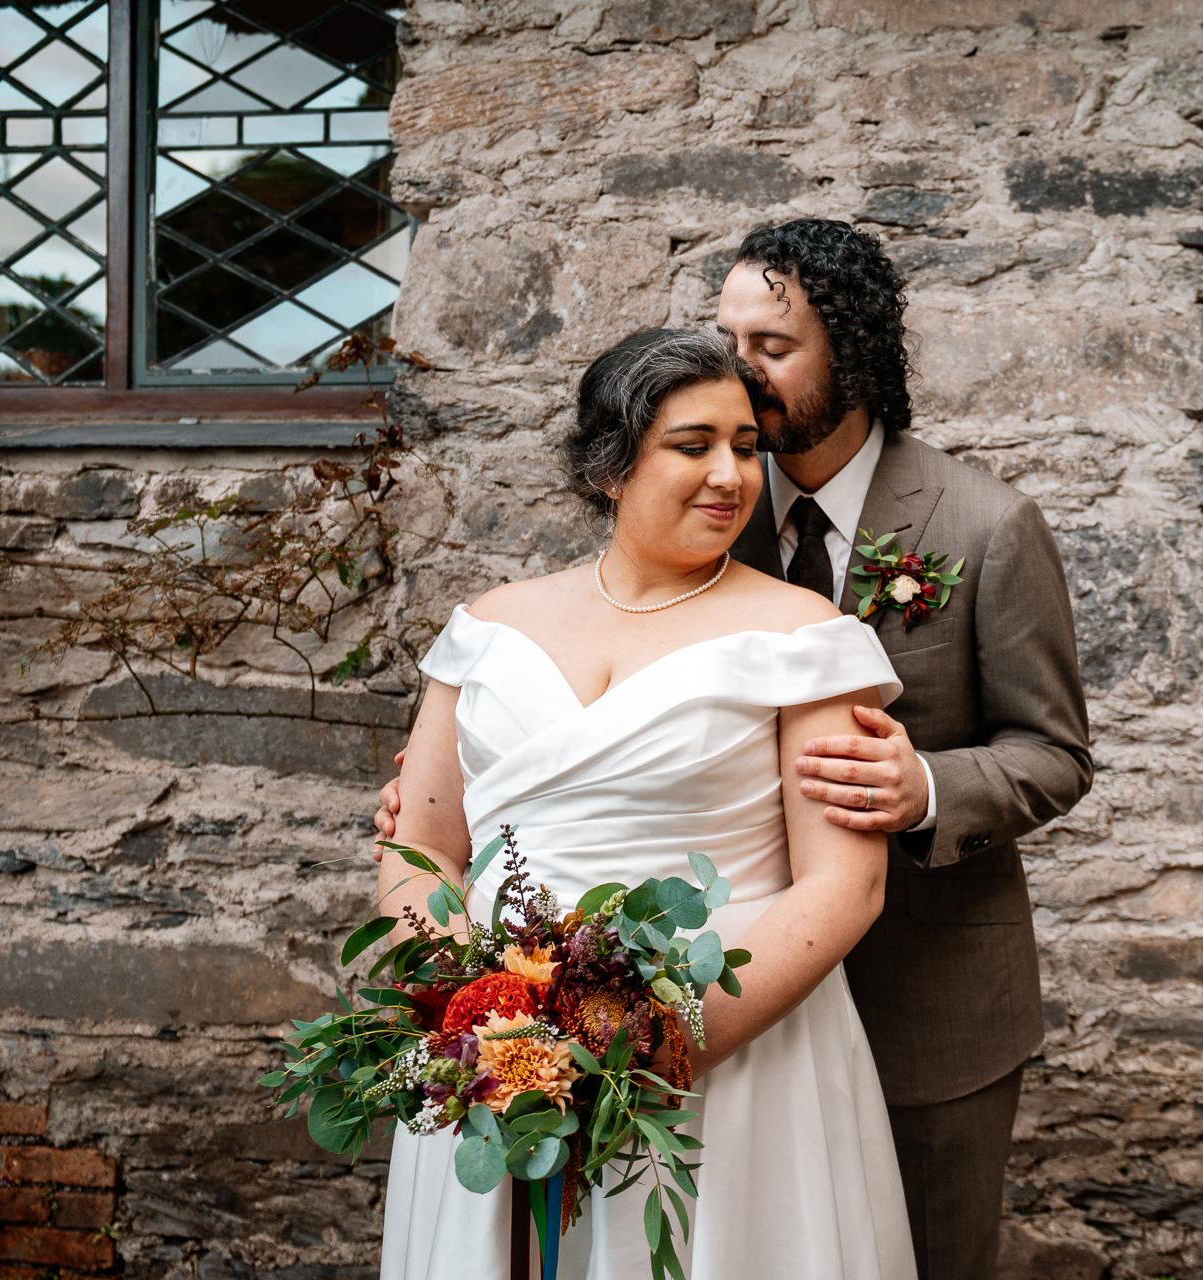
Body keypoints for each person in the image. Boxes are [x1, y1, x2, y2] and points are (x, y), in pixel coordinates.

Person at [380, 220, 1094, 1280]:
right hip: (565, 1007)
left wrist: (927, 785)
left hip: (915, 986)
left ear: (851, 355)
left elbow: (1055, 749)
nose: (739, 376)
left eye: (770, 347)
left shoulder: (984, 524)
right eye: (725, 338)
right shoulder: (710, 506)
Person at [377, 327, 917, 1280]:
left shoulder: (802, 636)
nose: (731, 474)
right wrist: (489, 1023)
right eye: (693, 444)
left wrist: (662, 1041)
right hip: (505, 1063)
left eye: (747, 447)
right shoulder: (489, 630)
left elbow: (845, 888)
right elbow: (421, 849)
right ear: (611, 465)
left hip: (734, 1055)